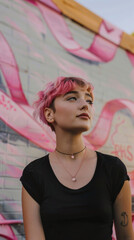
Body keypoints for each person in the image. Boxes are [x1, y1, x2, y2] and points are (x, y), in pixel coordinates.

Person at [20, 76, 134, 240]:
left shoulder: (113, 169)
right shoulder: (34, 174)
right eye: (72, 98)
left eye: (89, 101)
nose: (84, 105)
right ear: (50, 114)